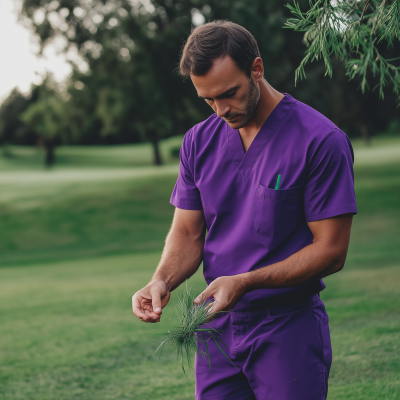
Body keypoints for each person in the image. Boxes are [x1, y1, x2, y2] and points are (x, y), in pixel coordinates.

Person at [132, 20, 357, 400]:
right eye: (208, 100)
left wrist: (245, 281)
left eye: (229, 93)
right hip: (216, 329)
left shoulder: (320, 141)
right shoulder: (198, 142)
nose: (221, 110)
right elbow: (188, 232)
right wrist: (161, 280)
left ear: (257, 68)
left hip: (288, 327)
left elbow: (331, 251)